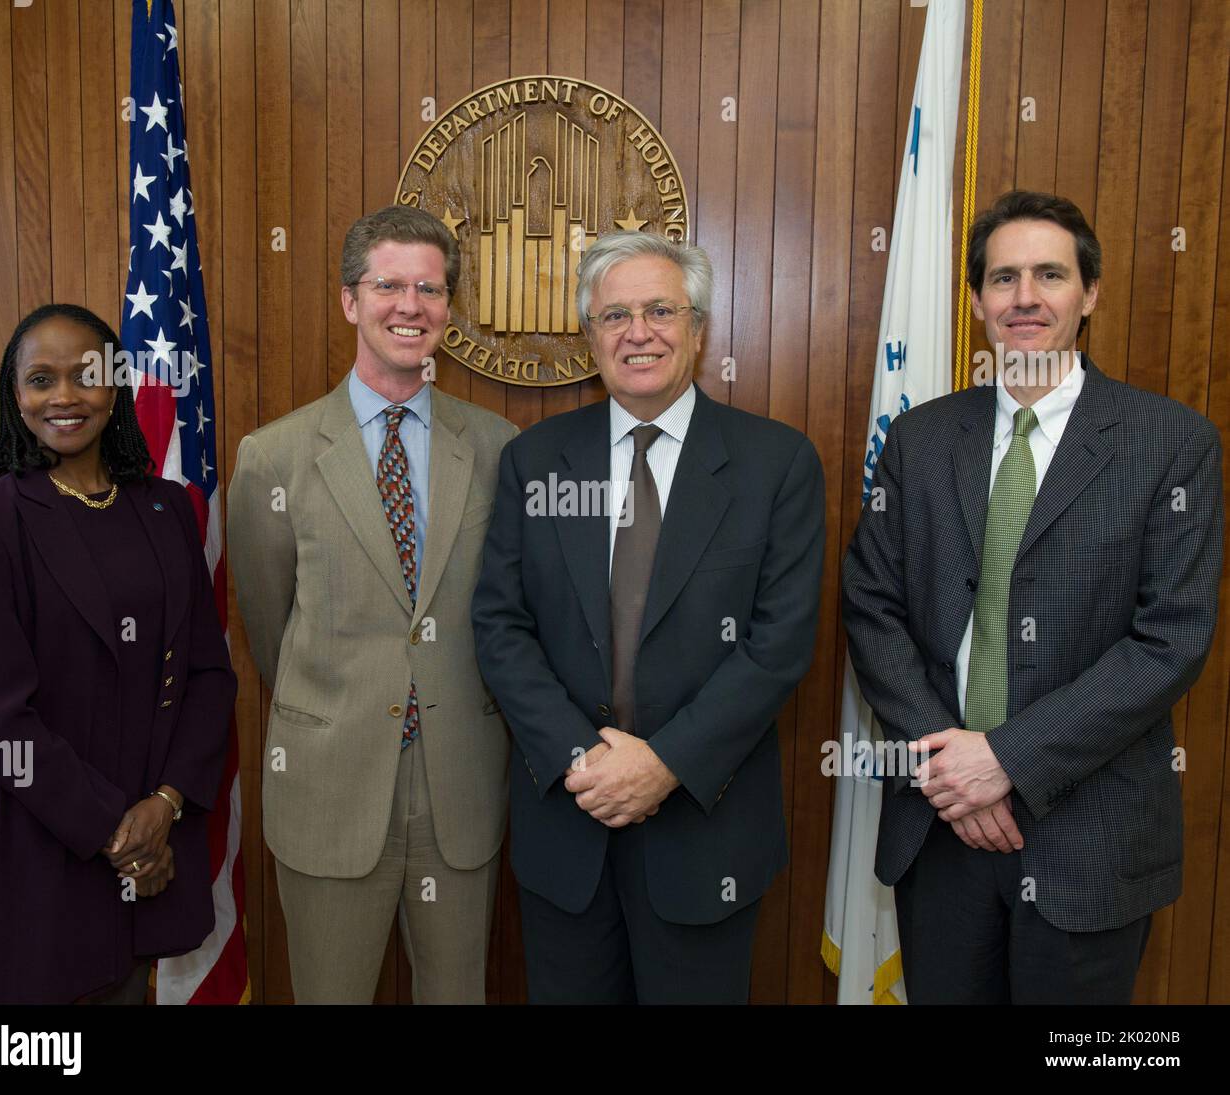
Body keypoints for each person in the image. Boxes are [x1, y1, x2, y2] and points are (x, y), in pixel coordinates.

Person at [842, 190, 1224, 1004]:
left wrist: (1006, 760)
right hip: (940, 825)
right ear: (976, 301)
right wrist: (954, 764)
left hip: (1090, 833)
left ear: (1089, 294)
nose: (1025, 297)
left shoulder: (1170, 442)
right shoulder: (921, 439)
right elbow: (872, 607)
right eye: (1003, 277)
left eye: (1049, 274)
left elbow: (1171, 640)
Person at [471, 230, 825, 1003]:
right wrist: (581, 758)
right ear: (590, 334)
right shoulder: (536, 461)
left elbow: (777, 646)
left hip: (706, 832)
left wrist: (663, 763)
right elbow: (501, 625)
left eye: (661, 310)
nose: (639, 332)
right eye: (615, 314)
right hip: (569, 825)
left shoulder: (776, 464)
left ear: (698, 329)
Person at [228, 205, 516, 1004]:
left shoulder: (496, 449)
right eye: (388, 283)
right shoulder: (275, 457)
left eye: (429, 287)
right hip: (328, 787)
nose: (410, 305)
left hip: (460, 785)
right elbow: (267, 620)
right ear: (351, 300)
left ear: (449, 308)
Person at [0, 303, 236, 1004]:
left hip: (152, 859)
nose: (65, 396)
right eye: (41, 379)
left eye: (86, 375)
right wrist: (118, 832)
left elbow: (207, 675)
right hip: (46, 858)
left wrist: (163, 808)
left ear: (117, 384)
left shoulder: (166, 508)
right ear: (17, 397)